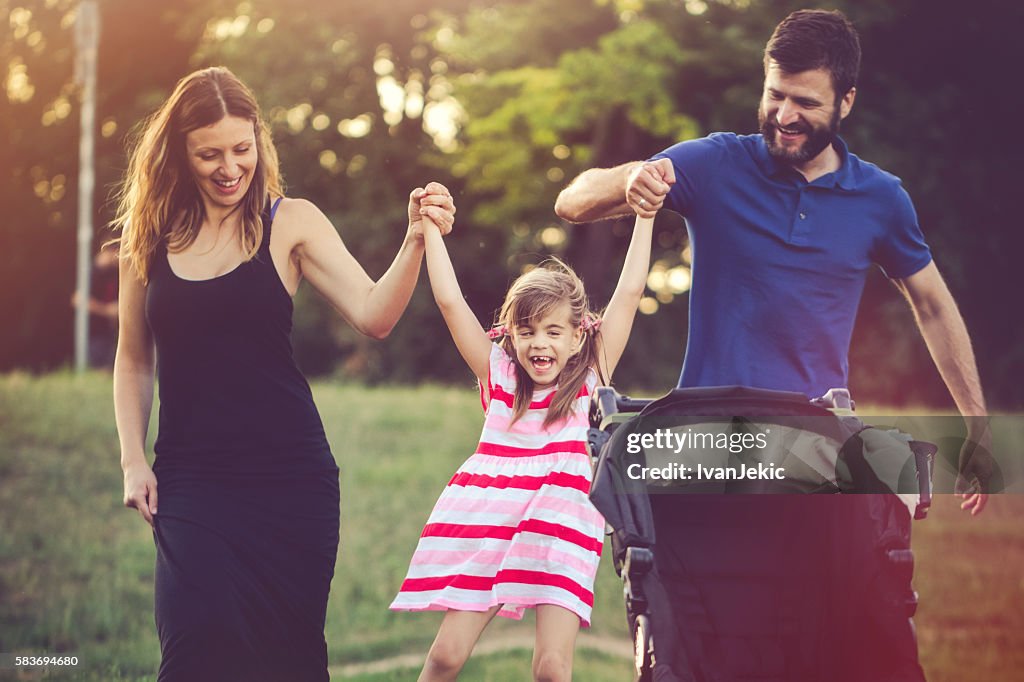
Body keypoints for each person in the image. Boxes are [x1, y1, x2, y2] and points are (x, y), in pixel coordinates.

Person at [554, 8, 993, 680]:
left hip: (813, 461)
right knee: (704, 651)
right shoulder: (714, 163)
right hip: (709, 461)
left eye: (805, 102)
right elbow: (574, 200)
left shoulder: (880, 199)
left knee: (822, 649)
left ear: (846, 100)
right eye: (774, 95)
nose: (784, 115)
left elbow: (931, 301)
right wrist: (630, 181)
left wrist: (975, 423)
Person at [112, 66, 455, 682]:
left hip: (290, 480)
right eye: (208, 154)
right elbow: (133, 356)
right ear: (178, 153)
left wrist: (412, 241)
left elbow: (374, 316)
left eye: (241, 150)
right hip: (192, 479)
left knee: (288, 661)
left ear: (259, 143)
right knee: (195, 647)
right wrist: (133, 459)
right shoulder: (151, 236)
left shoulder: (289, 222)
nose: (229, 168)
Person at [389, 208, 655, 681]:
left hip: (563, 522)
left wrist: (645, 214)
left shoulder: (592, 376)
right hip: (492, 517)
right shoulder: (500, 374)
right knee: (446, 655)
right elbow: (451, 302)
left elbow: (631, 291)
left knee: (551, 668)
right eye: (527, 331)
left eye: (554, 332)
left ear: (578, 337)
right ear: (510, 334)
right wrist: (429, 226)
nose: (540, 344)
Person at [71, 242, 119, 369]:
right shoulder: (91, 272)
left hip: (108, 332)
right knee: (97, 369)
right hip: (93, 333)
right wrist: (106, 310)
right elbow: (78, 299)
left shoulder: (113, 273)